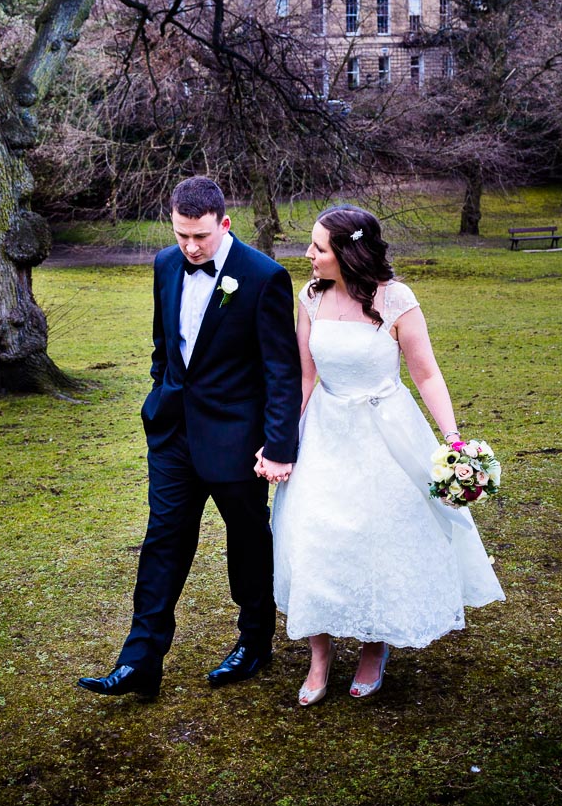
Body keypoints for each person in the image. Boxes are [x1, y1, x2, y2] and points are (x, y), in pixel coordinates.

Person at [265, 205, 504, 706]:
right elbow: (304, 377)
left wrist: (453, 440)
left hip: (386, 431)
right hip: (326, 429)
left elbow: (426, 373)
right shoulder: (310, 296)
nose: (308, 254)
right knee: (313, 535)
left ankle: (375, 647)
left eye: (318, 248)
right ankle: (319, 653)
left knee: (378, 537)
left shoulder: (396, 299)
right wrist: (281, 439)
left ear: (347, 253)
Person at [78, 176, 302, 700]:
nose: (191, 247)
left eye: (200, 236)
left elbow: (281, 371)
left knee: (247, 540)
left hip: (237, 440)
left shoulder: (264, 277)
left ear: (224, 224)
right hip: (173, 434)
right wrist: (161, 394)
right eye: (182, 235)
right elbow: (165, 345)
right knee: (163, 539)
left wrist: (278, 445)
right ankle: (140, 659)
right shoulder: (164, 264)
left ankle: (255, 641)